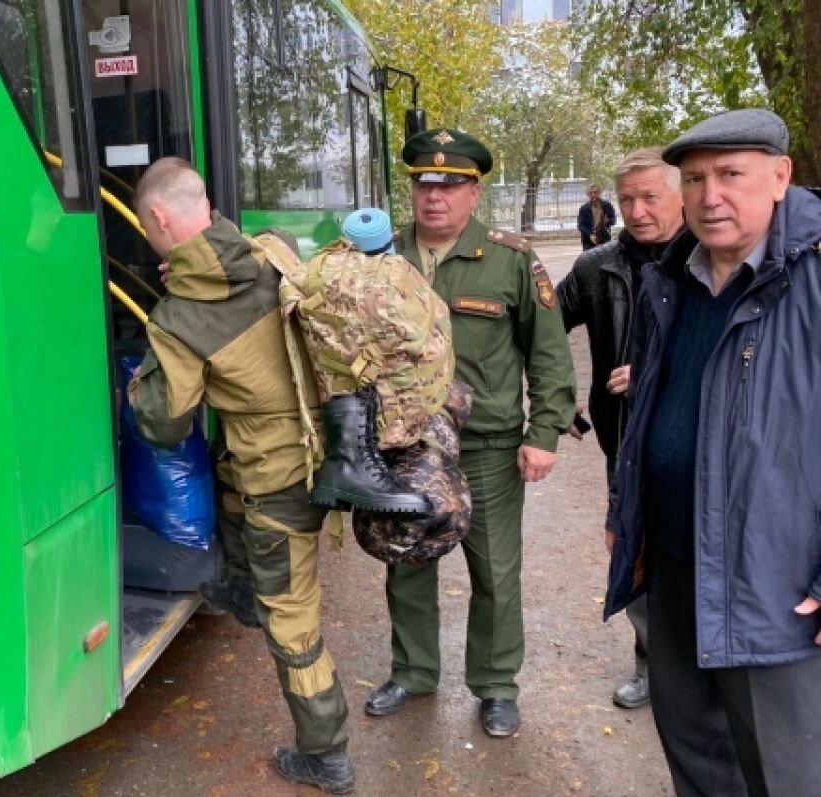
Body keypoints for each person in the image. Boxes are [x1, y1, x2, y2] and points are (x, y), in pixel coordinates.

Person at [605, 108, 821, 796]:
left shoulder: (810, 277)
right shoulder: (671, 277)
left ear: (780, 176)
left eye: (731, 174)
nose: (710, 195)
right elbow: (646, 411)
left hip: (776, 583)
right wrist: (626, 509)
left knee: (785, 774)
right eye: (694, 179)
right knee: (696, 756)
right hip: (673, 563)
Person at [127, 157, 354, 794]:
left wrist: (142, 378)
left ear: (161, 219)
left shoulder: (180, 319)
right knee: (230, 490)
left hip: (282, 477)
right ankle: (241, 589)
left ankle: (326, 750)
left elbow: (165, 423)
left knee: (293, 618)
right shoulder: (271, 250)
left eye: (147, 229)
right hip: (327, 443)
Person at [364, 127, 577, 737]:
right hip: (402, 445)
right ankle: (413, 671)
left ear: (473, 192)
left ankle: (495, 685)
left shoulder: (511, 258)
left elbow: (550, 354)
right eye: (425, 184)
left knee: (496, 572)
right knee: (405, 560)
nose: (436, 197)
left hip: (486, 445)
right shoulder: (379, 256)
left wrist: (546, 432)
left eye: (451, 185)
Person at [556, 147, 685, 710]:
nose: (636, 209)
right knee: (634, 554)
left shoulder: (711, 260)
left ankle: (703, 676)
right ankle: (651, 667)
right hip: (627, 446)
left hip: (697, 445)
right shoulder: (595, 267)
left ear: (680, 196)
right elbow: (535, 333)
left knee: (693, 560)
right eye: (627, 198)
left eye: (650, 196)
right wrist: (556, 405)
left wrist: (663, 371)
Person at [577, 183, 617, 250]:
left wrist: (608, 221)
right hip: (588, 241)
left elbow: (613, 220)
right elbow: (580, 225)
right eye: (590, 193)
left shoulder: (607, 205)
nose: (593, 195)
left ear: (599, 193)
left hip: (604, 239)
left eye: (595, 192)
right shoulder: (583, 208)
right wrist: (590, 235)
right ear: (588, 194)